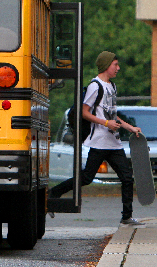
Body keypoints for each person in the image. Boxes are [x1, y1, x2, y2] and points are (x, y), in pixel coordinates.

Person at [49, 51, 143, 226]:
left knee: (127, 178)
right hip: (99, 141)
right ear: (107, 65)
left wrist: (129, 127)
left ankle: (127, 216)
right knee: (86, 178)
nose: (118, 68)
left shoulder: (112, 87)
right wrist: (105, 123)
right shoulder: (95, 86)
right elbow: (84, 113)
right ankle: (53, 193)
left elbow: (113, 114)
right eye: (115, 64)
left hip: (114, 143)